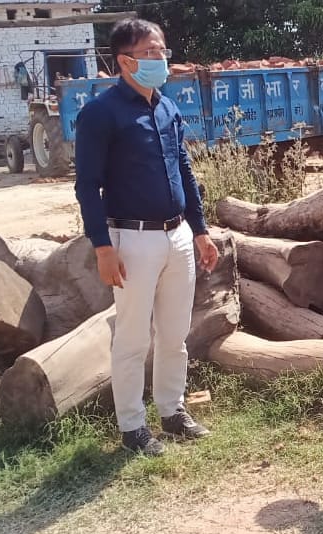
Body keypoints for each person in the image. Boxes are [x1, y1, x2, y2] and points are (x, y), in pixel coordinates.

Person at [74, 18, 219, 456]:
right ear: (125, 60)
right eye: (152, 53)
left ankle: (172, 412)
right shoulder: (100, 114)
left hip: (176, 237)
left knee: (175, 334)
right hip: (131, 241)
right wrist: (102, 247)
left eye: (162, 51)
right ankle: (132, 427)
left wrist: (201, 230)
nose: (162, 60)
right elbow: (86, 187)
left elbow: (185, 172)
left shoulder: (165, 107)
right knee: (133, 339)